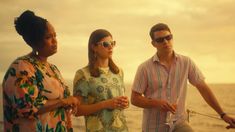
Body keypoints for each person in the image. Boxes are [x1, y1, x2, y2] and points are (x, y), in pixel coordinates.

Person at [131, 23, 235, 132]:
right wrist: (157, 103)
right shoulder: (144, 68)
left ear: (172, 37)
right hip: (153, 127)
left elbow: (203, 88)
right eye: (160, 40)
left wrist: (223, 114)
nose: (165, 42)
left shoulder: (186, 62)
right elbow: (134, 99)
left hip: (178, 123)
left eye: (168, 37)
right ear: (153, 43)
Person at [2, 10, 80, 132]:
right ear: (36, 41)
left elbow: (61, 101)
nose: (54, 41)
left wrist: (70, 103)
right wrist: (63, 101)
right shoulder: (21, 67)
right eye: (48, 37)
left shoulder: (53, 68)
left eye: (55, 35)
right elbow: (27, 107)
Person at [73, 29, 129, 132]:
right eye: (106, 44)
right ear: (94, 47)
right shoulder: (83, 74)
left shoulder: (119, 72)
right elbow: (77, 110)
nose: (111, 46)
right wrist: (105, 104)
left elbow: (120, 103)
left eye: (113, 43)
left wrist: (125, 103)